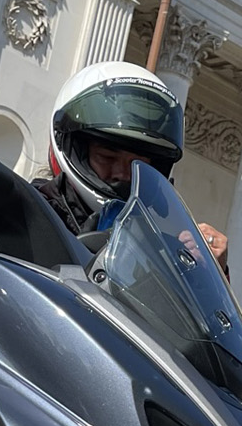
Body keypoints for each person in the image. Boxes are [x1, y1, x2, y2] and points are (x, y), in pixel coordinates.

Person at [31, 59, 228, 270]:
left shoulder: (158, 244)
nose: (122, 174)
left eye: (137, 164)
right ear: (73, 147)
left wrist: (208, 271)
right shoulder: (27, 212)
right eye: (107, 157)